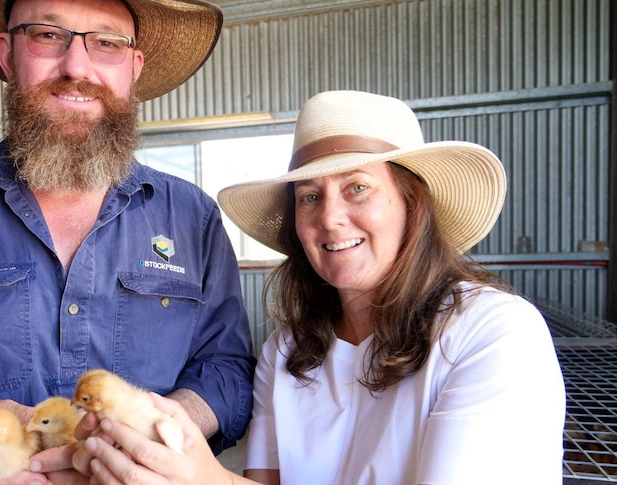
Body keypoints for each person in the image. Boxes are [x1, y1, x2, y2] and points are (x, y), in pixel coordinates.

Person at [0, 0, 256, 483]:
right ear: (6, 52)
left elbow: (226, 370)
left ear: (134, 67)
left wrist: (162, 425)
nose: (76, 67)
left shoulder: (193, 218)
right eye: (46, 35)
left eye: (107, 42)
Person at [80, 90, 567, 484]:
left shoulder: (492, 333)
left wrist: (211, 480)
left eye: (358, 187)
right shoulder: (287, 353)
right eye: (309, 196)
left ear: (411, 204)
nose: (330, 219)